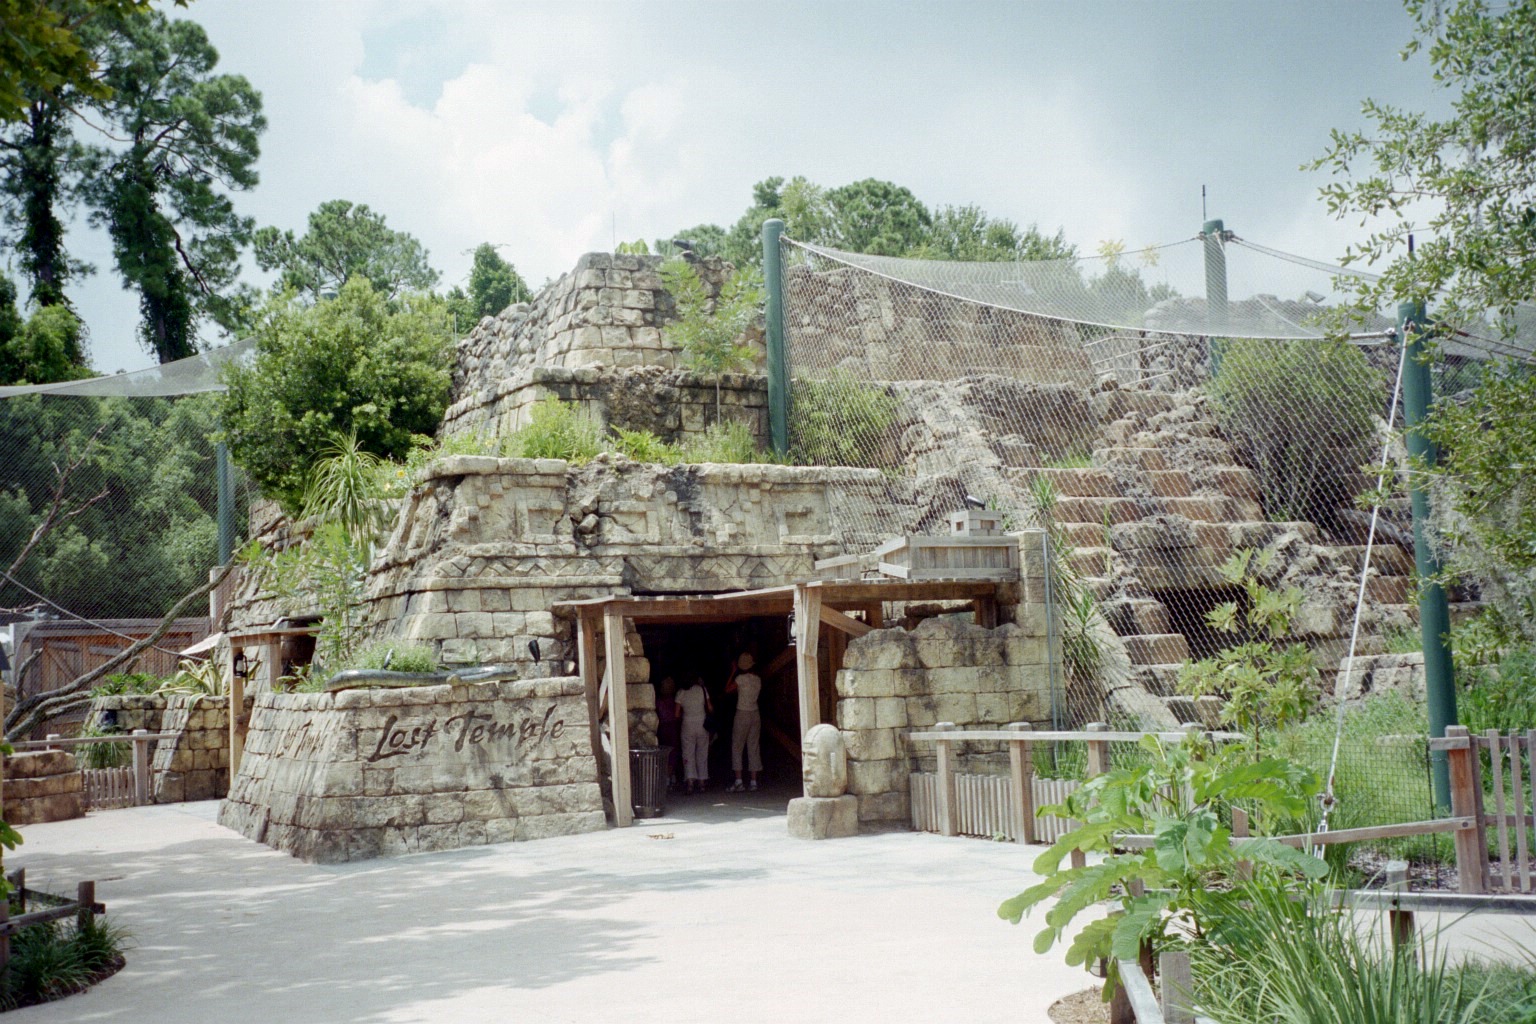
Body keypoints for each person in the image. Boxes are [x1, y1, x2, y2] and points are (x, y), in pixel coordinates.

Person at [725, 652, 763, 792]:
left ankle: (739, 781)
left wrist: (733, 672)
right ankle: (753, 782)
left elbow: (727, 689)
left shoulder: (740, 679)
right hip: (755, 713)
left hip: (742, 713)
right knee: (753, 746)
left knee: (737, 746)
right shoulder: (758, 680)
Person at [675, 675, 712, 794]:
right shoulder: (702, 689)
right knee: (702, 752)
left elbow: (676, 714)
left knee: (688, 753)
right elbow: (710, 708)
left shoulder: (681, 692)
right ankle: (702, 782)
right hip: (702, 724)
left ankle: (690, 782)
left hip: (687, 725)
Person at [654, 676, 681, 789]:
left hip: (663, 728)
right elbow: (678, 715)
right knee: (673, 752)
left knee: (665, 752)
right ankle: (670, 776)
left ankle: (668, 777)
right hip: (673, 727)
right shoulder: (675, 700)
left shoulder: (658, 701)